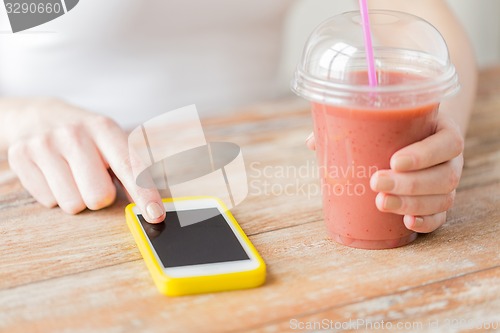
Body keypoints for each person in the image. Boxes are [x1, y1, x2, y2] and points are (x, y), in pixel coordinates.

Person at [0, 0, 477, 233]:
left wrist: (439, 133)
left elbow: (428, 27)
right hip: (63, 194)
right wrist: (23, 116)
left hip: (260, 179)